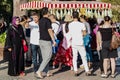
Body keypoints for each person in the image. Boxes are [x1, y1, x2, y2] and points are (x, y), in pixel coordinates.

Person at [68, 11, 91, 76]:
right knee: (84, 57)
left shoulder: (70, 24)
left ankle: (76, 71)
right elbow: (85, 33)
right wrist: (81, 35)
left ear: (72, 16)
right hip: (80, 42)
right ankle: (87, 70)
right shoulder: (81, 24)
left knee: (75, 57)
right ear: (78, 16)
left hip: (73, 42)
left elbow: (70, 33)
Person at [36, 7, 56, 79]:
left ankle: (47, 72)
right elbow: (50, 30)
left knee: (45, 57)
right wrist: (53, 40)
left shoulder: (40, 20)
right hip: (46, 41)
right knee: (48, 56)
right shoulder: (47, 20)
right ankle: (39, 71)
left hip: (41, 40)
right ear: (47, 12)